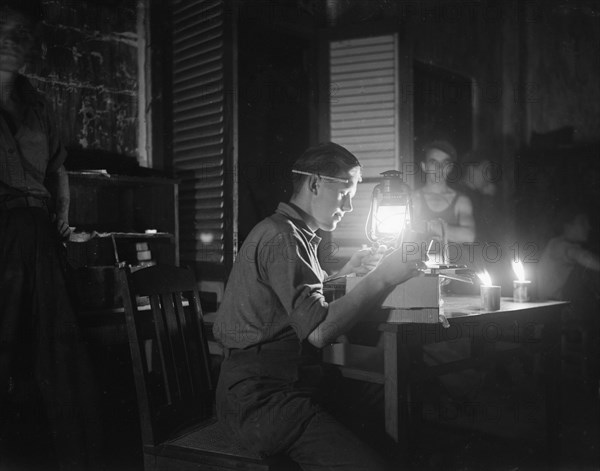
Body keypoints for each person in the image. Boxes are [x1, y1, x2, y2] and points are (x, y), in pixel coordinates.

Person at [212, 142, 426, 470]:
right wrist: (383, 276)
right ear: (315, 184)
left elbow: (287, 303)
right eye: (345, 194)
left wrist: (345, 274)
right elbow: (318, 331)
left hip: (279, 386)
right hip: (263, 400)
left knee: (384, 408)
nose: (351, 206)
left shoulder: (290, 232)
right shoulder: (283, 238)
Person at [1, 3, 102, 469]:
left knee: (56, 352)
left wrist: (61, 214)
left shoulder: (37, 104)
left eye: (20, 34)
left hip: (39, 234)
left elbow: (58, 168)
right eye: (2, 31)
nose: (10, 40)